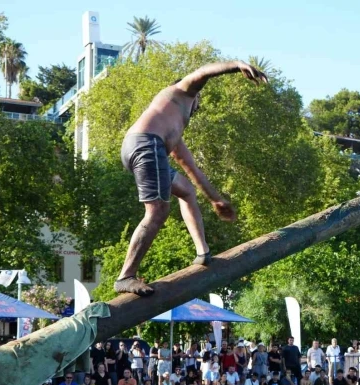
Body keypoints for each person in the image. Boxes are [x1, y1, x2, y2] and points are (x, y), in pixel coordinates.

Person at [113, 60, 267, 296]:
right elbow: (202, 72)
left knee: (186, 190)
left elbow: (192, 170)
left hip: (146, 147)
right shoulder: (181, 91)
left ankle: (202, 252)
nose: (198, 107)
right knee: (157, 211)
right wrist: (237, 65)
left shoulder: (173, 129)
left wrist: (215, 199)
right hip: (145, 144)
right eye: (199, 102)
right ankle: (126, 276)